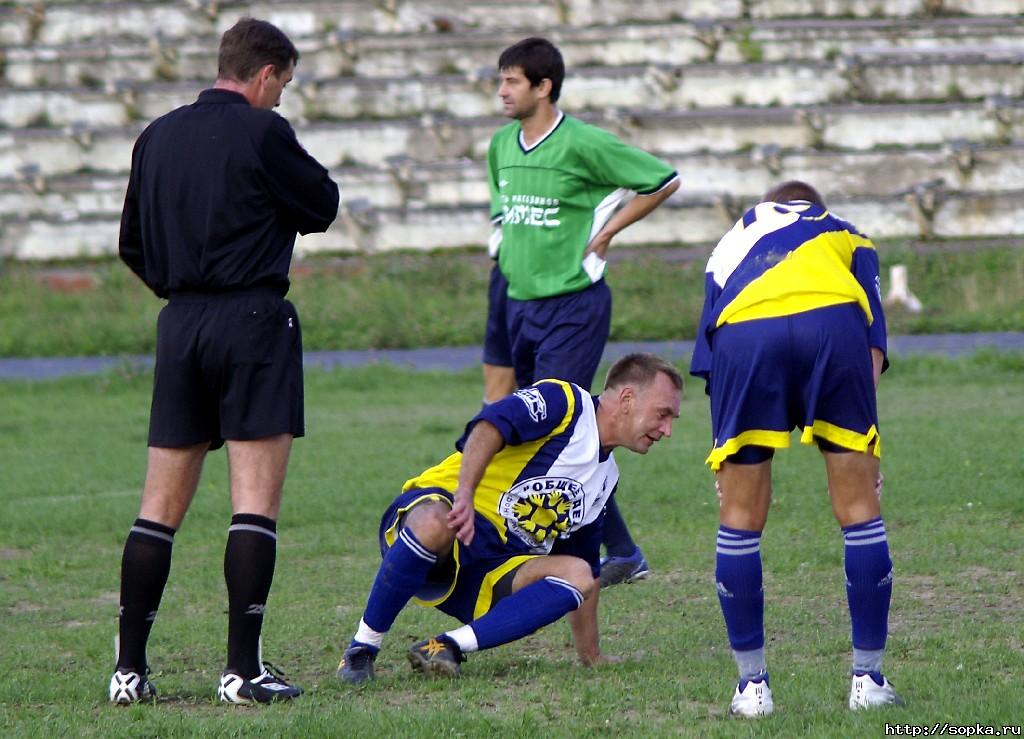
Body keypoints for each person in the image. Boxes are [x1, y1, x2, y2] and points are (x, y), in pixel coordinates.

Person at [110, 18, 339, 705]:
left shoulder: (155, 135)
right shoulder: (264, 131)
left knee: (158, 508)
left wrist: (182, 291)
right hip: (252, 320)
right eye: (284, 86)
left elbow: (131, 244)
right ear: (265, 74)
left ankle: (128, 671)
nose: (281, 101)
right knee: (253, 503)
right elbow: (322, 205)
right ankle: (242, 670)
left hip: (180, 324)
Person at [337, 353, 683, 684]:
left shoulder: (606, 478)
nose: (667, 430)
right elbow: (490, 425)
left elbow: (585, 572)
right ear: (626, 398)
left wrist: (591, 655)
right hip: (443, 523)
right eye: (663, 414)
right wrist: (465, 496)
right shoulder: (564, 403)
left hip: (488, 573)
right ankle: (361, 650)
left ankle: (447, 646)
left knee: (579, 574)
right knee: (435, 522)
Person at [689, 181, 901, 716]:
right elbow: (873, 343)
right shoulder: (847, 235)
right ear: (816, 207)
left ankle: (752, 689)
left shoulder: (727, 245)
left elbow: (712, 356)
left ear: (763, 205)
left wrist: (724, 458)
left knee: (740, 515)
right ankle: (868, 681)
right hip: (832, 327)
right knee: (858, 510)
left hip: (746, 336)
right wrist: (864, 448)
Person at [487, 37, 681, 586]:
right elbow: (504, 230)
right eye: (500, 81)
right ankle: (619, 551)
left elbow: (663, 179)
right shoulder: (501, 147)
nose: (502, 91)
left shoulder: (581, 143)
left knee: (562, 427)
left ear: (543, 87)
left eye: (512, 81)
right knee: (542, 431)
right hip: (519, 306)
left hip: (573, 305)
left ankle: (598, 553)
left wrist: (610, 231)